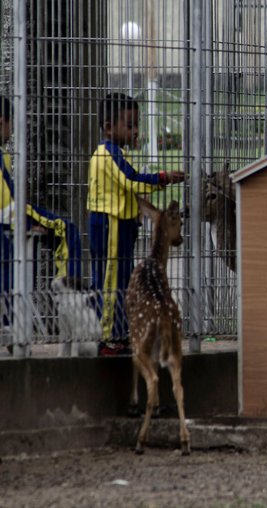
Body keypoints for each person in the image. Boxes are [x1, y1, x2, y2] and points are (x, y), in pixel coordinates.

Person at [88, 92, 184, 356]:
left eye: (136, 125)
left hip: (121, 225)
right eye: (129, 125)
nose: (135, 131)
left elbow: (128, 187)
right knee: (111, 281)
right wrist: (162, 177)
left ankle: (119, 333)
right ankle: (109, 339)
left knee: (121, 280)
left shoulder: (116, 153)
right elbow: (131, 181)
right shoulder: (108, 155)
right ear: (109, 127)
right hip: (110, 225)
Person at [0, 96, 84, 328]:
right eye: (11, 125)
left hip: (13, 214)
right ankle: (68, 297)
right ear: (2, 122)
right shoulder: (2, 155)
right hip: (13, 217)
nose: (11, 132)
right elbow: (7, 201)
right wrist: (25, 225)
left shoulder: (4, 154)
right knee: (67, 229)